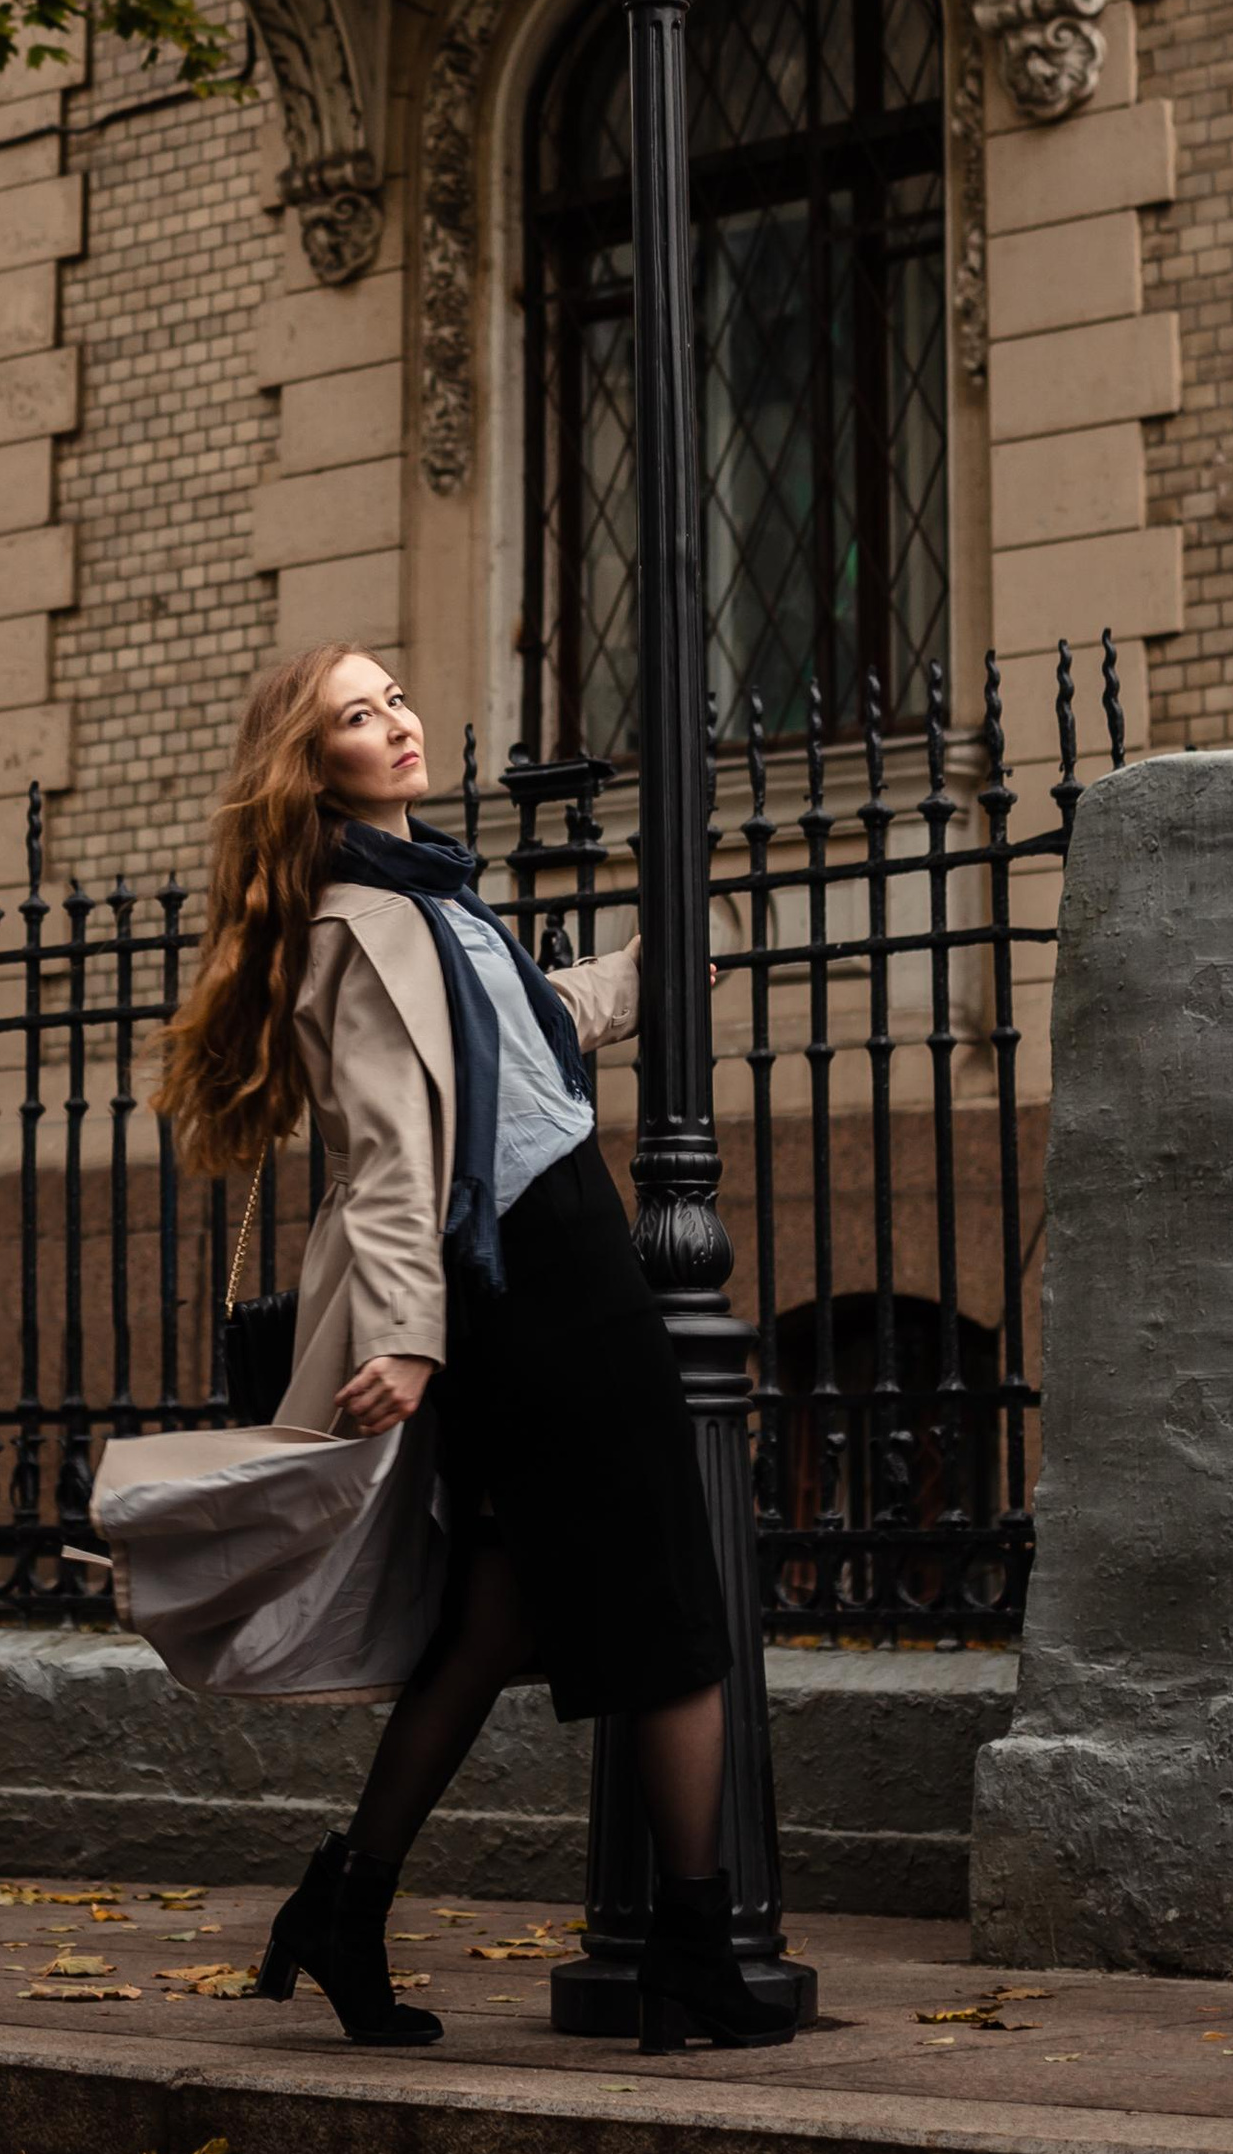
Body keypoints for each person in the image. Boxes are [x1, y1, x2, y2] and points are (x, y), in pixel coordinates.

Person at [149, 640, 794, 2058]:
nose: (396, 723)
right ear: (309, 764)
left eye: (392, 699)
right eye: (356, 716)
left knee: (501, 1609)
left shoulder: (426, 891)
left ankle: (344, 1902)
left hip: (545, 1243)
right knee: (672, 1605)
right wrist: (413, 1337)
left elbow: (518, 1050)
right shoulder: (351, 926)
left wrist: (647, 966)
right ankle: (693, 1944)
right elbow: (390, 1154)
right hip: (532, 1272)